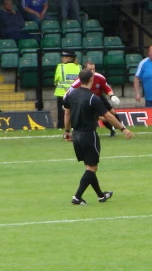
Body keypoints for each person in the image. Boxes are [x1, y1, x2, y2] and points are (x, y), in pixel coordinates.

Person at [63, 68, 133, 206]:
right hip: (88, 135)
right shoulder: (92, 98)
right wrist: (123, 129)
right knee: (92, 168)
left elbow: (67, 113)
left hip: (76, 134)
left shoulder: (71, 95)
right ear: (91, 80)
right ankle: (77, 196)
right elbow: (107, 116)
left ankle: (101, 195)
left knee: (89, 166)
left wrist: (67, 131)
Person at [65, 59, 123, 137]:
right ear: (84, 70)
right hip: (85, 100)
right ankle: (68, 131)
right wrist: (66, 102)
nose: (92, 71)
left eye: (93, 69)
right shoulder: (78, 82)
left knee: (111, 112)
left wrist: (112, 96)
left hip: (98, 97)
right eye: (90, 69)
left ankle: (119, 127)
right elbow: (68, 93)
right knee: (103, 116)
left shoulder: (99, 77)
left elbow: (106, 87)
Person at [53, 50, 81, 130]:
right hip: (76, 95)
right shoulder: (79, 67)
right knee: (75, 113)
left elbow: (56, 80)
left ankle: (62, 128)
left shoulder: (60, 66)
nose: (62, 59)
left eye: (63, 57)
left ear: (68, 58)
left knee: (62, 114)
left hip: (62, 94)